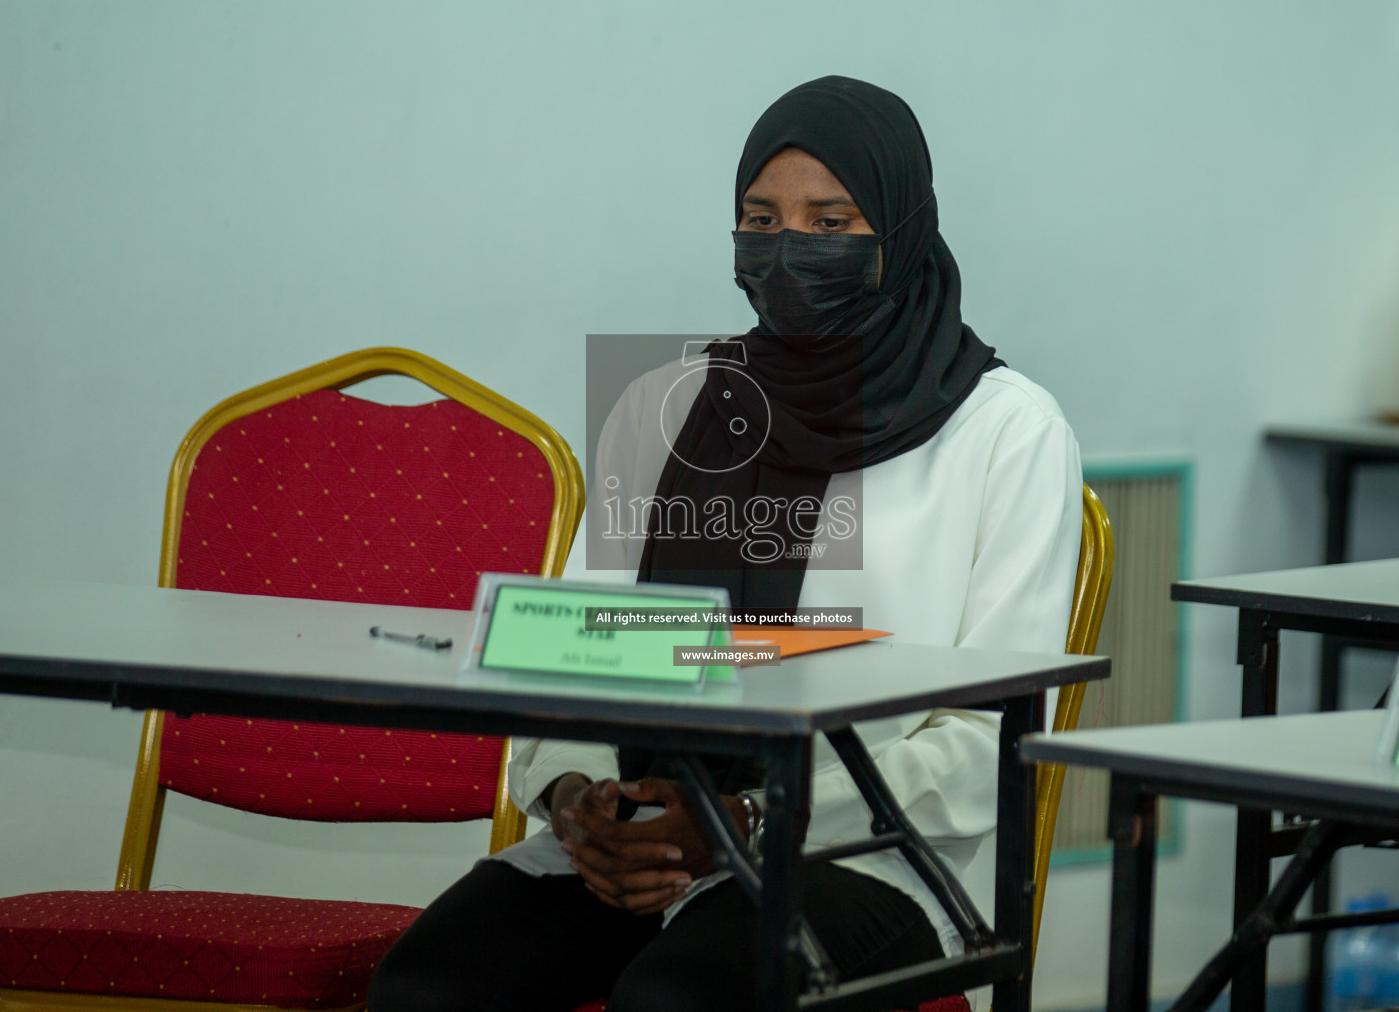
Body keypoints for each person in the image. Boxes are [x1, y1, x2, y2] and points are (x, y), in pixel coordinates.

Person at [368, 74, 1081, 1012]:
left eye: (831, 225)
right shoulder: (666, 407)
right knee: (431, 986)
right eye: (760, 218)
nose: (788, 252)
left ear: (903, 233)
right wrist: (576, 797)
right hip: (633, 839)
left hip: (869, 857)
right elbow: (566, 652)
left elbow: (992, 742)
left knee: (679, 1000)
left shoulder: (1007, 433)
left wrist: (749, 817)